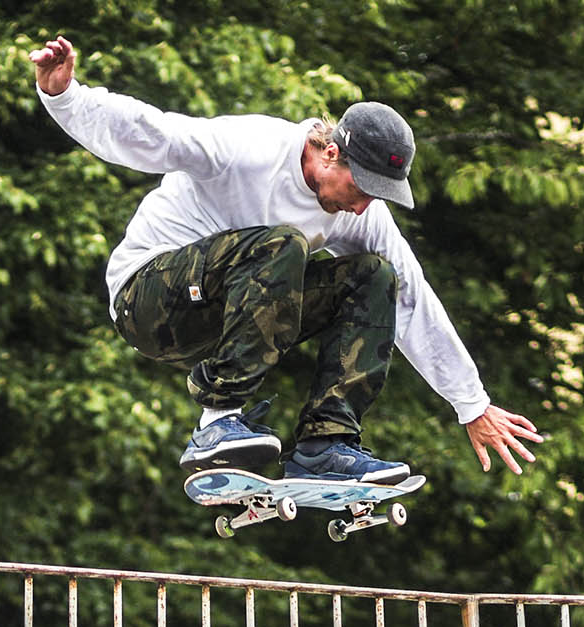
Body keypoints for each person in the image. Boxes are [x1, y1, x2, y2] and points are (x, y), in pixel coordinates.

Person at [30, 35, 540, 486]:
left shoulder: (361, 214)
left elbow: (412, 299)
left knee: (375, 276)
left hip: (220, 316)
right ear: (331, 154)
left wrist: (470, 404)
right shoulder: (251, 148)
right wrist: (66, 97)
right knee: (284, 245)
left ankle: (326, 443)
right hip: (147, 298)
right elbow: (153, 132)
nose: (362, 205)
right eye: (360, 188)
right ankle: (218, 420)